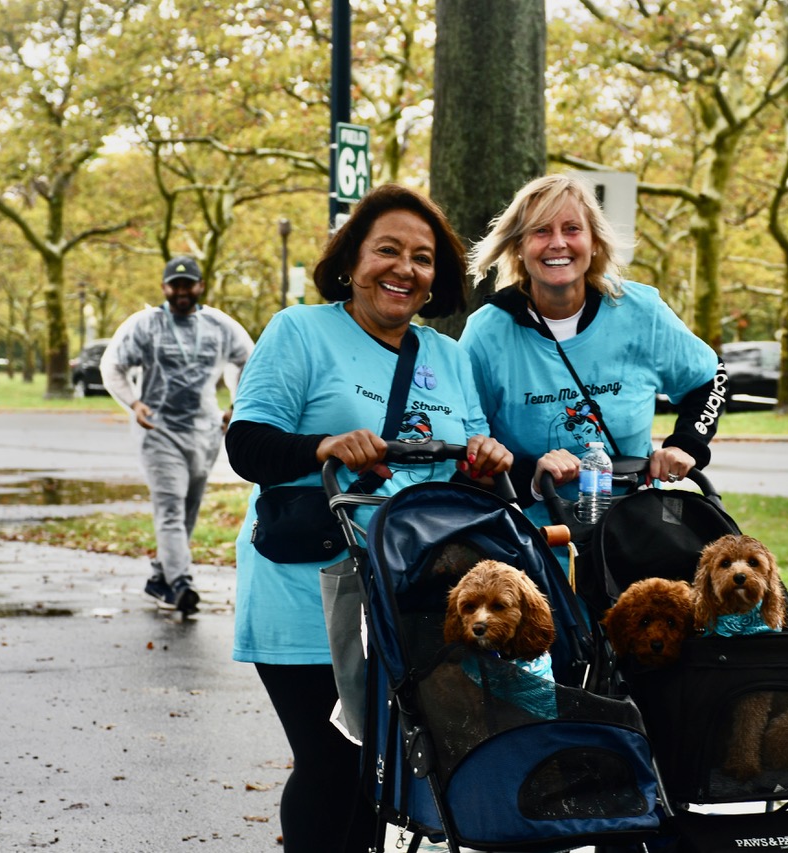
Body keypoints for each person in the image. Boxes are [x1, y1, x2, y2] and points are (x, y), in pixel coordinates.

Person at [224, 184, 511, 853]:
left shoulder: (448, 356)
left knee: (383, 773)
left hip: (406, 591)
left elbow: (464, 469)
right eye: (388, 250)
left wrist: (485, 458)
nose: (404, 268)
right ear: (350, 260)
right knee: (333, 763)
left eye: (423, 256)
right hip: (307, 587)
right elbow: (246, 444)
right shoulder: (300, 331)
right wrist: (323, 444)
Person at [460, 173, 727, 528]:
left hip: (635, 531)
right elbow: (468, 450)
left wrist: (685, 445)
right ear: (519, 248)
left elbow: (711, 378)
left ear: (595, 242)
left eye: (572, 229)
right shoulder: (486, 333)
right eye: (541, 231)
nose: (558, 243)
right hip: (532, 537)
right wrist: (534, 480)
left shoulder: (641, 311)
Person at [100, 255, 254, 615]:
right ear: (164, 287)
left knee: (187, 509)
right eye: (175, 285)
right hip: (159, 431)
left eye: (188, 284)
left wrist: (237, 404)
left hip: (205, 432)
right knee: (169, 505)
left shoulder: (219, 325)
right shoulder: (145, 325)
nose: (181, 291)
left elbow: (251, 361)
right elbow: (112, 365)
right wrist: (134, 404)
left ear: (200, 286)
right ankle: (182, 582)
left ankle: (160, 577)